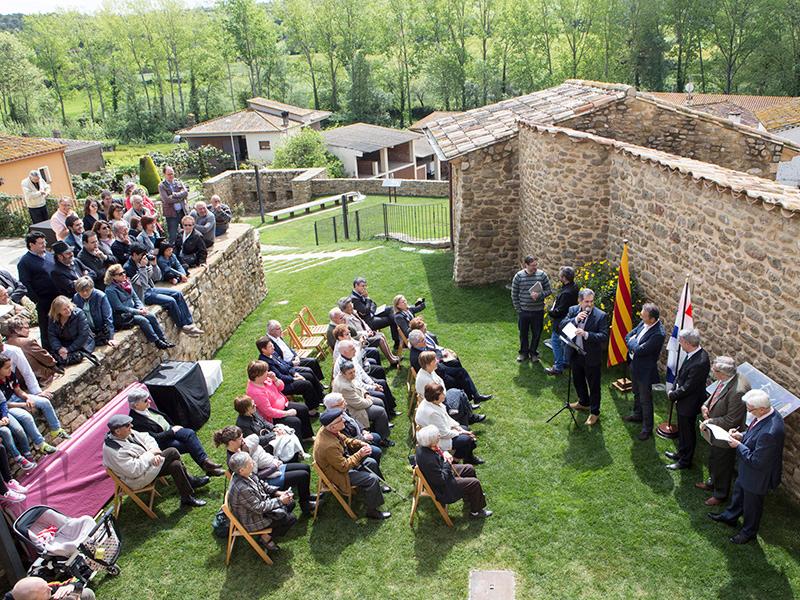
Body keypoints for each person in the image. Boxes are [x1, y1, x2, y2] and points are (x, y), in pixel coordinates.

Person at [708, 389, 785, 544]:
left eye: (750, 410)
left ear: (761, 409)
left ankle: (748, 532)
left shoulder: (770, 433)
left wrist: (737, 445)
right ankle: (730, 516)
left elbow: (756, 461)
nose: (748, 412)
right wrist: (741, 435)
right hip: (747, 470)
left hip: (757, 476)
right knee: (739, 493)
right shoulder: (768, 413)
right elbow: (754, 432)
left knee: (752, 506)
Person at [102, 414, 207, 508]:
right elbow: (134, 470)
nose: (132, 426)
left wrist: (154, 452)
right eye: (128, 425)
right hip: (137, 478)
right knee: (172, 451)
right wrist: (151, 455)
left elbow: (147, 438)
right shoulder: (115, 451)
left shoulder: (124, 433)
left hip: (148, 466)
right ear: (117, 431)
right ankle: (190, 481)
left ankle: (186, 497)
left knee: (175, 465)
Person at [214, 426, 315, 514]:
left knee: (305, 468)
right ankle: (305, 505)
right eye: (240, 438)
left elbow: (259, 440)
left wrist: (274, 434)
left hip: (269, 468)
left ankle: (307, 496)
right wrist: (273, 468)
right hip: (264, 479)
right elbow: (253, 478)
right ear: (232, 442)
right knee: (303, 475)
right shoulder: (234, 460)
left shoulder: (240, 447)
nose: (243, 440)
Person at [313, 408, 391, 519]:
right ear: (333, 426)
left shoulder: (329, 430)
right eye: (340, 420)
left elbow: (345, 440)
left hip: (341, 464)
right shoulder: (328, 446)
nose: (344, 421)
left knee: (371, 462)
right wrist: (360, 454)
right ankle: (372, 511)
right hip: (338, 474)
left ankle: (377, 487)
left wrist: (361, 443)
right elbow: (343, 467)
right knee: (371, 479)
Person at [127, 388, 223, 477]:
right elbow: (154, 438)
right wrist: (172, 431)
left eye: (148, 398)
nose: (149, 401)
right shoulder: (136, 421)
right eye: (145, 400)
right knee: (189, 445)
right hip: (163, 441)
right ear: (136, 405)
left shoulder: (144, 408)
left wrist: (172, 429)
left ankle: (206, 463)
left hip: (171, 430)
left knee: (190, 433)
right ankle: (207, 467)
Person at [697, 357, 749, 505]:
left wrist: (709, 421)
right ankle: (712, 482)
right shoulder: (726, 379)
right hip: (715, 430)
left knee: (723, 463)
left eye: (714, 370)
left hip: (725, 434)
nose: (712, 371)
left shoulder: (738, 391)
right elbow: (716, 394)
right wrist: (706, 405)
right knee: (714, 458)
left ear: (722, 373)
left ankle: (720, 494)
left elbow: (732, 420)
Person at [0, 355, 68, 469]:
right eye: (6, 367)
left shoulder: (10, 374)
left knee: (44, 402)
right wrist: (23, 404)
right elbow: (4, 404)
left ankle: (56, 429)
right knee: (26, 417)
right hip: (10, 406)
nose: (10, 369)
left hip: (17, 398)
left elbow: (17, 390)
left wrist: (27, 398)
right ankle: (41, 444)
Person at [125, 245, 203, 337]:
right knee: (171, 301)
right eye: (141, 255)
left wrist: (154, 265)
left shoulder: (143, 261)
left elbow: (157, 277)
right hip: (142, 295)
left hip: (151, 289)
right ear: (134, 254)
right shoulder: (128, 267)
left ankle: (189, 324)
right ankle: (182, 326)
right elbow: (143, 283)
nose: (144, 257)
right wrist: (142, 268)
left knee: (177, 294)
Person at [415, 425, 492, 519]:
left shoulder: (423, 447)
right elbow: (441, 480)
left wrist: (444, 453)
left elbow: (438, 455)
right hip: (444, 489)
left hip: (442, 472)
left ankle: (470, 497)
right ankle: (475, 512)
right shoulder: (429, 460)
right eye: (437, 436)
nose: (439, 436)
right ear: (431, 441)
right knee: (474, 483)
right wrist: (447, 462)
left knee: (469, 468)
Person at [227, 451, 297, 550]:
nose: (253, 463)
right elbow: (259, 508)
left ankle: (275, 525)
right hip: (252, 519)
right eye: (250, 462)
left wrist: (279, 493)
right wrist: (280, 501)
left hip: (256, 509)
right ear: (242, 470)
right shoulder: (243, 488)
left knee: (290, 503)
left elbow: (263, 485)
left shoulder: (246, 474)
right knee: (290, 519)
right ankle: (265, 538)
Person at [664, 328, 711, 470]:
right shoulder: (692, 354)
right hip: (684, 400)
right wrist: (674, 388)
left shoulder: (700, 361)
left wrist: (673, 394)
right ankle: (681, 452)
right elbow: (681, 373)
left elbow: (689, 387)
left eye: (681, 341)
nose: (679, 343)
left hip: (690, 403)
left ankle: (685, 461)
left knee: (688, 432)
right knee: (683, 431)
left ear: (687, 342)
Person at [561, 288, 608, 426]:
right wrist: (575, 319)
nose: (589, 304)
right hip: (575, 353)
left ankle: (594, 412)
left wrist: (586, 334)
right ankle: (583, 402)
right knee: (578, 380)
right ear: (579, 301)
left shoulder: (601, 315)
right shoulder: (573, 310)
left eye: (591, 301)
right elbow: (562, 325)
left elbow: (604, 336)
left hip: (591, 356)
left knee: (594, 385)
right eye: (586, 301)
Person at [408, 329, 491, 404]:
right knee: (456, 381)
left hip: (439, 367)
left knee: (460, 369)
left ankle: (476, 396)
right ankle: (466, 403)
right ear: (417, 343)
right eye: (423, 340)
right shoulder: (416, 357)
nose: (425, 340)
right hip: (437, 374)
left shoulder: (420, 347)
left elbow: (434, 353)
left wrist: (439, 357)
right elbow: (429, 372)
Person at [622, 303, 666, 440]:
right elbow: (629, 335)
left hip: (645, 371)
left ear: (652, 319)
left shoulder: (658, 334)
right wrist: (633, 343)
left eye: (644, 315)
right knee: (636, 392)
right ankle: (637, 414)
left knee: (645, 399)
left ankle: (647, 428)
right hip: (634, 364)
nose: (641, 315)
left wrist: (633, 344)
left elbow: (641, 350)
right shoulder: (644, 322)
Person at [104, 264, 174, 350]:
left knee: (151, 316)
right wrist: (138, 312)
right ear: (113, 277)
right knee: (143, 320)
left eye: (124, 272)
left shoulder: (126, 283)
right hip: (124, 315)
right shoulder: (110, 290)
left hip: (134, 310)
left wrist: (141, 307)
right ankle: (156, 341)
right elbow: (119, 307)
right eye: (120, 274)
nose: (123, 275)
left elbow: (135, 297)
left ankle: (163, 338)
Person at [246, 360, 313, 440]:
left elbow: (281, 387)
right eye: (265, 371)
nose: (268, 372)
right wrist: (287, 413)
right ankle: (297, 447)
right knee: (295, 421)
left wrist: (275, 379)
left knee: (303, 408)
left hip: (284, 404)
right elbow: (269, 411)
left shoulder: (265, 379)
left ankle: (306, 436)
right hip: (274, 417)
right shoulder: (255, 392)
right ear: (258, 375)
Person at [416, 382, 481, 464]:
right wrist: (460, 433)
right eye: (442, 394)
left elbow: (447, 418)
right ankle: (455, 461)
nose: (444, 395)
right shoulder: (432, 413)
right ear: (435, 397)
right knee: (466, 439)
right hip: (436, 439)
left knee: (465, 429)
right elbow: (443, 434)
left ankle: (468, 458)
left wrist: (459, 428)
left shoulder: (433, 402)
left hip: (441, 431)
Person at [416, 351, 483, 426]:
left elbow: (440, 382)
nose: (437, 361)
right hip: (438, 403)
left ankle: (469, 417)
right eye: (435, 360)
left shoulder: (429, 371)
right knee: (460, 395)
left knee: (459, 392)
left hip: (442, 396)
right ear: (430, 363)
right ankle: (469, 419)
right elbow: (436, 398)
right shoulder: (426, 380)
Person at [257, 337, 323, 414]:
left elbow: (285, 365)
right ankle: (311, 410)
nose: (273, 347)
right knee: (306, 384)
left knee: (309, 375)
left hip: (288, 374)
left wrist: (295, 373)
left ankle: (319, 397)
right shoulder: (265, 362)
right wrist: (294, 379)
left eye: (272, 345)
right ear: (263, 350)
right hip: (283, 384)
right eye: (270, 346)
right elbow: (280, 377)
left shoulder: (273, 353)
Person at [332, 360, 392, 444]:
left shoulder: (346, 377)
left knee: (380, 401)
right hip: (353, 409)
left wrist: (366, 393)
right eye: (350, 373)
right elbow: (359, 405)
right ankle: (382, 439)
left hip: (359, 399)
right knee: (380, 412)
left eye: (354, 371)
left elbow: (358, 386)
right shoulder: (344, 386)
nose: (353, 374)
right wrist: (369, 400)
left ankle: (377, 428)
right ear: (343, 373)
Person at [233, 395, 307, 462]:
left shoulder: (253, 412)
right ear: (246, 410)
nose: (255, 405)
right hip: (263, 446)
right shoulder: (243, 425)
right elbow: (256, 440)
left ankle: (296, 454)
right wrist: (273, 435)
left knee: (286, 431)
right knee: (286, 439)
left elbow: (264, 421)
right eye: (252, 406)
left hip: (268, 435)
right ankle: (290, 459)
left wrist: (274, 428)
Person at [17, 232, 58, 351]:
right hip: (43, 300)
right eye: (40, 243)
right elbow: (25, 284)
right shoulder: (25, 262)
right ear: (31, 245)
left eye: (44, 242)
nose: (44, 245)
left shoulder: (49, 255)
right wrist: (37, 300)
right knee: (47, 327)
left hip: (57, 297)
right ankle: (50, 352)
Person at [334, 339, 397, 415]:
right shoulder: (344, 366)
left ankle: (391, 407)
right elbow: (358, 384)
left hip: (359, 383)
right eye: (352, 349)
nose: (355, 350)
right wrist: (373, 388)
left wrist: (373, 383)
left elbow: (361, 371)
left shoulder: (350, 356)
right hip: (356, 391)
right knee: (381, 395)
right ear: (345, 352)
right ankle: (387, 415)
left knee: (382, 382)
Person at [511, 255, 552, 362]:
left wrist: (539, 295)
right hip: (523, 311)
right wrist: (519, 309)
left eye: (536, 265)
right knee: (523, 333)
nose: (535, 267)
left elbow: (549, 290)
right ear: (526, 265)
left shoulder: (542, 275)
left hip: (538, 311)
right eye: (533, 265)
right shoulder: (518, 276)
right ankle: (523, 353)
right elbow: (514, 294)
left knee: (536, 333)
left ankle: (533, 353)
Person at [338, 297, 400, 366]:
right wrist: (367, 334)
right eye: (350, 306)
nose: (352, 306)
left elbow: (363, 322)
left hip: (366, 333)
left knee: (381, 335)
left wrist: (368, 329)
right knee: (380, 340)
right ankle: (391, 360)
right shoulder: (346, 320)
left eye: (351, 304)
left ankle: (392, 356)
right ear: (345, 309)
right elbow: (355, 334)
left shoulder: (353, 313)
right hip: (361, 339)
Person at [322, 393, 383, 462]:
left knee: (376, 437)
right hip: (352, 448)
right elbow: (347, 440)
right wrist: (363, 438)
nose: (346, 403)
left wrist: (363, 430)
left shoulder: (342, 411)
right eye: (343, 402)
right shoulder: (334, 422)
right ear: (334, 406)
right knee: (376, 451)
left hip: (358, 437)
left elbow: (354, 421)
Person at [4, 318, 60, 388]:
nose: (29, 330)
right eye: (26, 328)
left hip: (20, 382)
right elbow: (46, 358)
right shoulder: (28, 342)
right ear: (16, 330)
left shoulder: (6, 345)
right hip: (38, 378)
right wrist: (55, 364)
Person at [545, 266, 579, 376]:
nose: (559, 277)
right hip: (571, 320)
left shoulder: (566, 293)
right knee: (565, 342)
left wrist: (549, 311)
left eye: (560, 275)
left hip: (561, 322)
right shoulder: (574, 287)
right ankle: (565, 362)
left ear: (564, 278)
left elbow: (559, 311)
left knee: (555, 342)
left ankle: (558, 367)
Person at [349, 276, 400, 349]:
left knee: (390, 309)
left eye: (365, 286)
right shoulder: (354, 299)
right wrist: (367, 298)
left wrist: (371, 310)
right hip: (369, 321)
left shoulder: (360, 294)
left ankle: (399, 330)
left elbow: (374, 305)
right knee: (391, 320)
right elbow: (365, 311)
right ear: (356, 286)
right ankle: (398, 341)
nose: (364, 288)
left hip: (372, 314)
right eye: (362, 286)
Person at [47, 296, 96, 366]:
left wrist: (68, 349)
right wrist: (59, 348)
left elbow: (83, 335)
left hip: (82, 344)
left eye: (68, 306)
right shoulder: (53, 318)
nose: (68, 310)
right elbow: (52, 335)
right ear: (58, 311)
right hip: (64, 344)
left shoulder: (79, 314)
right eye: (64, 309)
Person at [73, 277, 115, 347]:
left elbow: (108, 317)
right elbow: (78, 318)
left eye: (87, 290)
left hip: (100, 329)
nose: (84, 293)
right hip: (88, 331)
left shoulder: (100, 296)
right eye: (81, 291)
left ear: (92, 288)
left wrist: (111, 337)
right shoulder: (76, 298)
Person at [158, 166, 189, 243]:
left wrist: (174, 195)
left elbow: (186, 193)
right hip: (171, 214)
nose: (171, 176)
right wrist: (180, 198)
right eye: (169, 174)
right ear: (164, 175)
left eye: (172, 174)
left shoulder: (178, 182)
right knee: (173, 235)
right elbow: (166, 199)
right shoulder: (162, 186)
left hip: (182, 211)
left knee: (187, 231)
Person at [6, 575, 95, 600]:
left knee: (86, 593)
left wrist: (71, 586)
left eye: (46, 585)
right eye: (46, 591)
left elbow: (77, 580)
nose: (50, 589)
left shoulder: (44, 587)